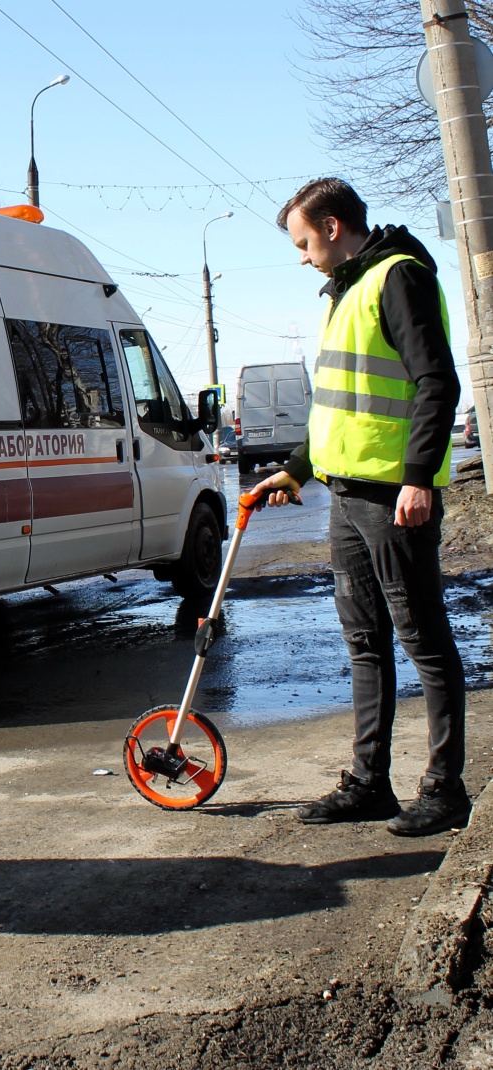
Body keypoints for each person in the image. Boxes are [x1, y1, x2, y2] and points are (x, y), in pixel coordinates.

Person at [254, 177, 470, 837]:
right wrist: (293, 470)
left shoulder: (396, 278)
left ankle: (444, 789)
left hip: (392, 496)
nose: (301, 256)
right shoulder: (346, 291)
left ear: (333, 225)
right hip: (346, 495)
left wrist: (417, 478)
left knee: (422, 638)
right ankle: (369, 781)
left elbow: (437, 381)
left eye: (303, 242)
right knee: (364, 640)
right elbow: (338, 407)